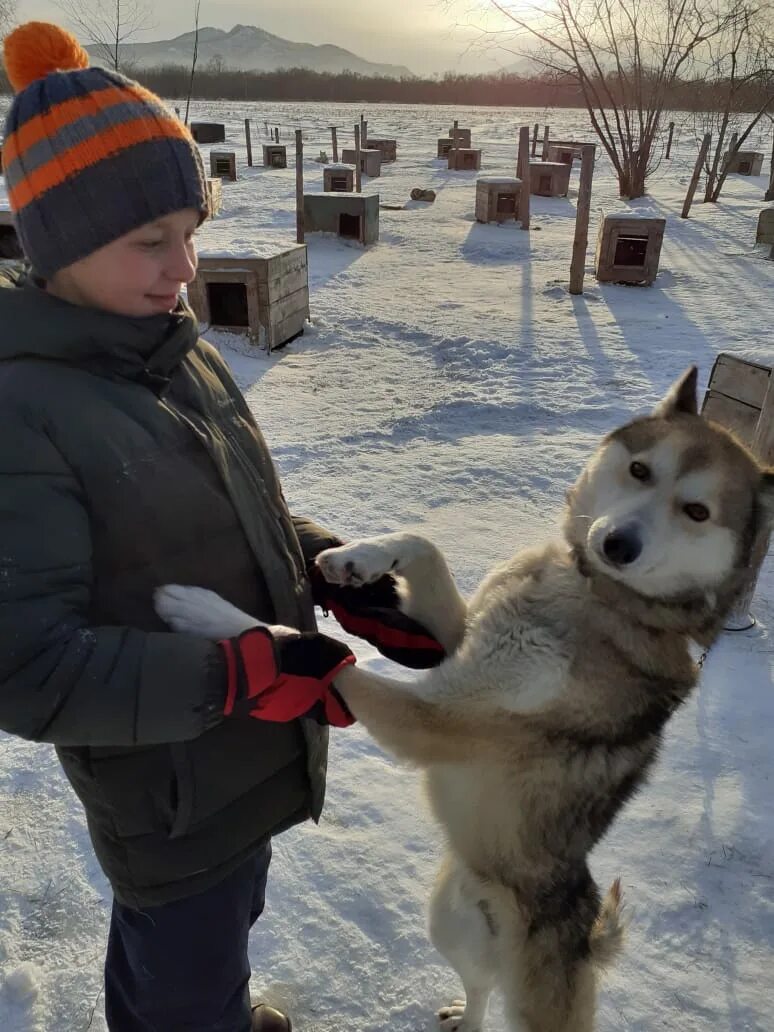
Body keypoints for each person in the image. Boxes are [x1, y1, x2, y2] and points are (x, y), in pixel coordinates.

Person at [0, 21, 443, 1032]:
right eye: (148, 241)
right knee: (183, 965)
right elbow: (24, 667)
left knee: (216, 930)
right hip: (168, 789)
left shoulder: (171, 351)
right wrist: (233, 677)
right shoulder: (22, 412)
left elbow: (227, 507)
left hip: (244, 757)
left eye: (189, 228)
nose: (183, 264)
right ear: (60, 245)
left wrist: (332, 567)